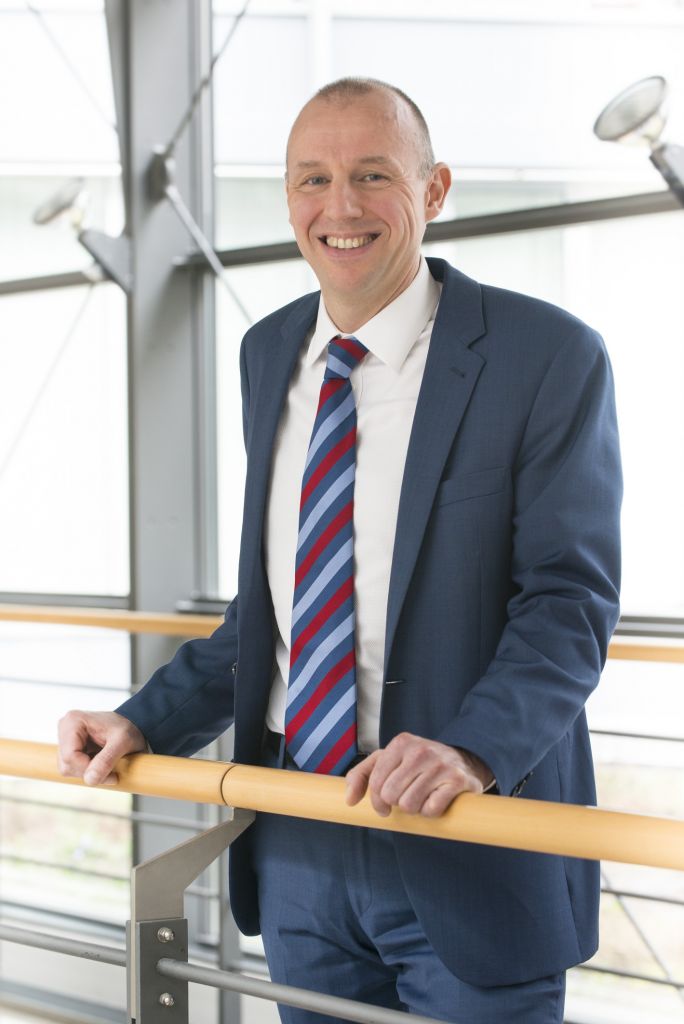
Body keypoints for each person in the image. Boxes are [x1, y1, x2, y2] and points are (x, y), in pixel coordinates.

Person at [58, 78, 622, 1024]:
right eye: (312, 179)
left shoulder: (546, 355)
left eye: (373, 175)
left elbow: (569, 602)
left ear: (433, 189)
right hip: (298, 839)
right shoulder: (267, 352)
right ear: (288, 198)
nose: (341, 207)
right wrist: (140, 722)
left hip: (469, 835)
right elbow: (276, 612)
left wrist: (473, 751)